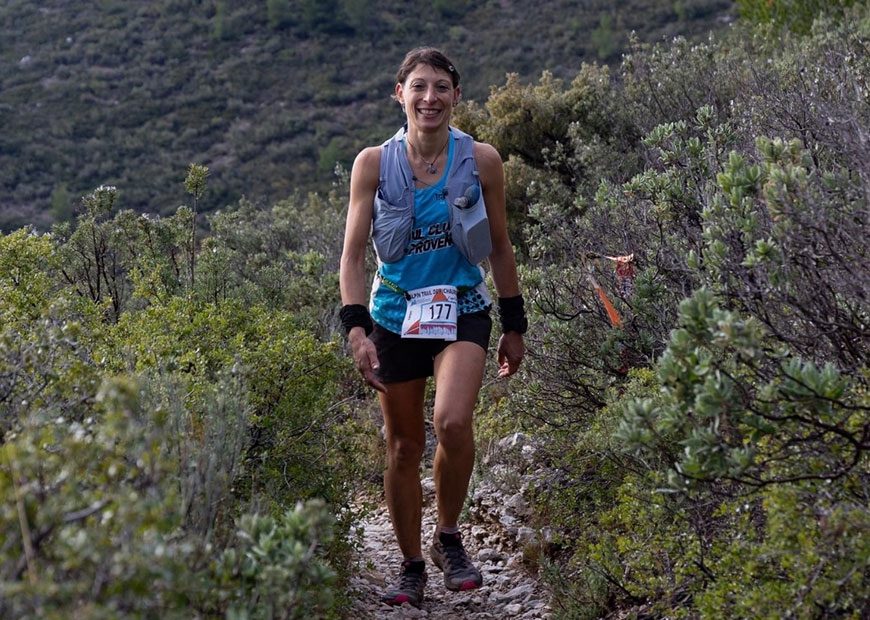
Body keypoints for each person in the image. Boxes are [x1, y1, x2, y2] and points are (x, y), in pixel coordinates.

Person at [339, 47, 527, 608]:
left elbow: (498, 246)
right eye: (418, 87)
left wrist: (514, 322)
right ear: (400, 94)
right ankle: (411, 564)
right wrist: (356, 328)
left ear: (456, 97)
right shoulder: (373, 164)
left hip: (461, 306)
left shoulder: (483, 160)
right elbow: (351, 257)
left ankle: (447, 536)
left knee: (452, 422)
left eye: (441, 88)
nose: (430, 98)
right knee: (403, 447)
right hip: (394, 316)